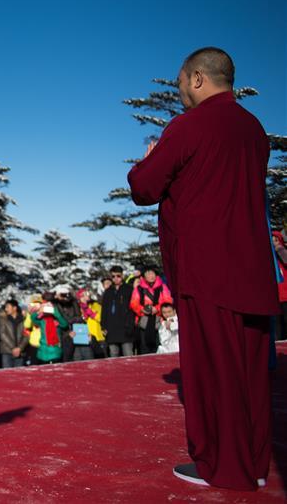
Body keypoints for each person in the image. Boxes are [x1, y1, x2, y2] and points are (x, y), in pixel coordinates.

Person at [127, 47, 280, 490]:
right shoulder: (254, 130)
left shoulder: (188, 126)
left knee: (215, 372)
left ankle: (224, 468)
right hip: (250, 267)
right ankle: (253, 463)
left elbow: (145, 186)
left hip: (206, 268)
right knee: (250, 372)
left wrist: (149, 158)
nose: (180, 95)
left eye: (180, 85)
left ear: (197, 78)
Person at [129, 267, 173, 355]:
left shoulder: (162, 287)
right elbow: (133, 303)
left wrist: (156, 309)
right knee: (144, 348)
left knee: (160, 345)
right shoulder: (138, 289)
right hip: (144, 322)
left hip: (159, 321)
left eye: (153, 273)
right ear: (144, 276)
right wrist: (142, 309)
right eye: (148, 273)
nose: (151, 276)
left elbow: (168, 301)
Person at [100, 266, 134, 357]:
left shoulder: (129, 289)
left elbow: (132, 309)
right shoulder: (108, 292)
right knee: (113, 354)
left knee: (128, 354)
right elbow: (104, 311)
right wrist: (103, 326)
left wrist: (130, 325)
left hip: (126, 327)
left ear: (122, 276)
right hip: (111, 328)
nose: (116, 278)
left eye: (118, 276)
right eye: (113, 276)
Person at [0, 300, 27, 368]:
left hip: (20, 352)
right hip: (7, 351)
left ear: (14, 308)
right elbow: (3, 334)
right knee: (7, 374)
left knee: (19, 374)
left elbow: (26, 335)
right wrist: (13, 348)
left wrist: (20, 348)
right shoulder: (3, 319)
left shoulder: (23, 319)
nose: (6, 309)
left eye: (7, 307)